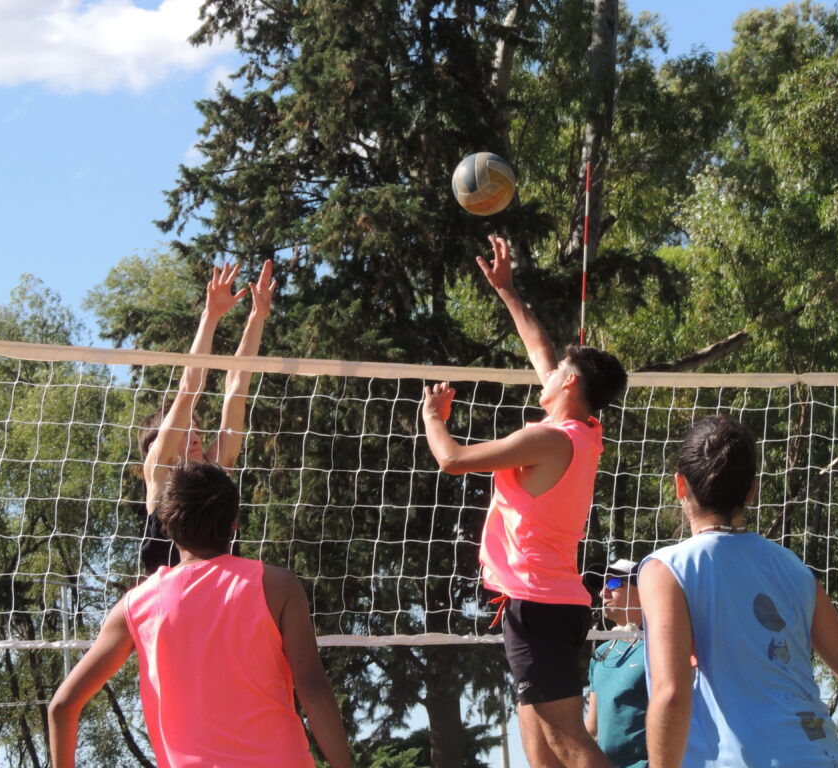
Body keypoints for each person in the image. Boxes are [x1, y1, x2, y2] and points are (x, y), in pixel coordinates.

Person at [422, 235, 627, 768]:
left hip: (538, 603)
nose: (547, 370)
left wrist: (432, 418)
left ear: (570, 382)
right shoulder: (585, 432)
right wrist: (507, 290)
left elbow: (452, 459)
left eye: (558, 370)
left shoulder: (549, 439)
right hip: (545, 603)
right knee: (541, 752)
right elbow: (540, 349)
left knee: (566, 742)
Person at [639, 415, 838, 768]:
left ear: (680, 485)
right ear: (752, 489)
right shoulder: (793, 569)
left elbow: (671, 695)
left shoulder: (666, 569)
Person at [48, 462, 353, 768]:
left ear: (166, 523)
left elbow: (62, 706)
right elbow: (313, 688)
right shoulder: (278, 586)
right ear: (233, 523)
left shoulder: (136, 606)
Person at [137, 259, 276, 574]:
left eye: (197, 429)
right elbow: (188, 390)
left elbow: (237, 386)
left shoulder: (215, 472)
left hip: (223, 594)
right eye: (185, 430)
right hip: (172, 597)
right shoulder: (160, 472)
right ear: (157, 444)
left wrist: (257, 317)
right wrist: (210, 316)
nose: (196, 436)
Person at [586, 559, 648, 768]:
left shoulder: (661, 645)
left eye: (613, 583)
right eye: (602, 586)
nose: (603, 593)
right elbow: (592, 731)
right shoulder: (600, 654)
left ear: (644, 589)